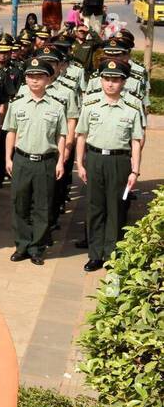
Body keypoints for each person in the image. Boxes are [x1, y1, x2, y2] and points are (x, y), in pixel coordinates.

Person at [74, 60, 143, 272]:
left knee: (116, 208)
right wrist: (80, 164)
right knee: (95, 208)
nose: (110, 84)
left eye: (115, 80)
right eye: (107, 79)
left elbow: (136, 141)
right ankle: (95, 254)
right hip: (95, 160)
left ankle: (112, 254)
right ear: (101, 80)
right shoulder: (91, 103)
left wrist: (135, 170)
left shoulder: (133, 106)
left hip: (120, 162)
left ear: (123, 82)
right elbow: (81, 136)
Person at [3, 58, 67, 266]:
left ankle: (37, 248)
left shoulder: (57, 106)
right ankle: (21, 245)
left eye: (39, 77)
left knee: (43, 206)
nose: (34, 81)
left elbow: (61, 135)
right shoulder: (17, 104)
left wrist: (60, 162)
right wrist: (8, 158)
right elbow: (11, 132)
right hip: (22, 160)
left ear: (48, 79)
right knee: (19, 204)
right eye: (31, 76)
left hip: (46, 162)